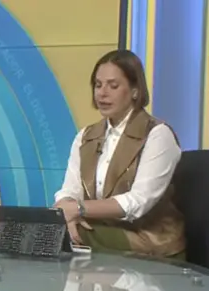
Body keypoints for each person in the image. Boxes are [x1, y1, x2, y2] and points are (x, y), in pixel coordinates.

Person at [53, 49, 186, 259]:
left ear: (135, 91)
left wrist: (78, 209)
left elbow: (138, 201)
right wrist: (66, 212)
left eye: (113, 86)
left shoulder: (157, 135)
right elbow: (70, 189)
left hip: (149, 239)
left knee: (60, 235)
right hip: (105, 230)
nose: (102, 93)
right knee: (50, 229)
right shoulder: (86, 136)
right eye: (98, 85)